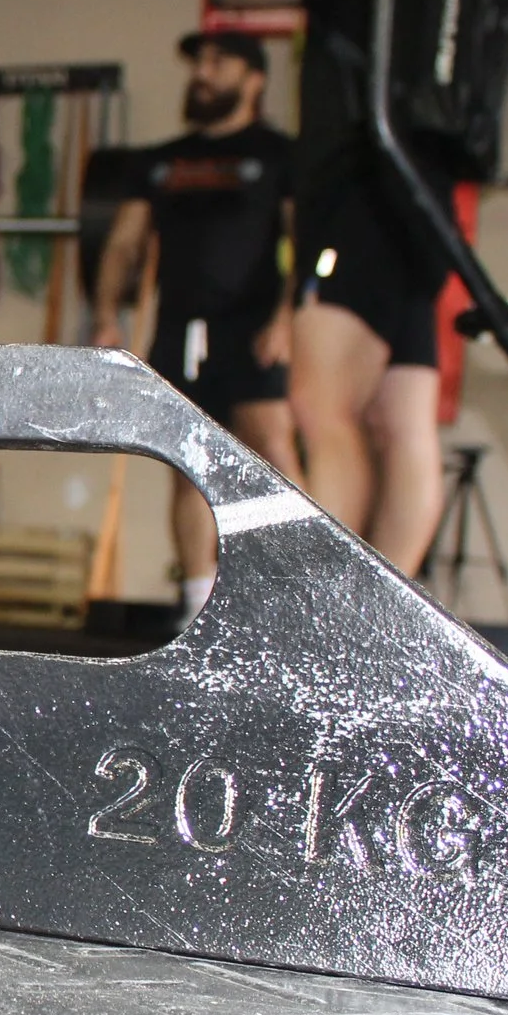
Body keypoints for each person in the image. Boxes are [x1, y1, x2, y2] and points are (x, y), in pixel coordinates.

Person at [212, 0, 446, 576]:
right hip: (422, 219)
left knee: (322, 409)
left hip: (355, 210)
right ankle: (398, 604)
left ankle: (333, 608)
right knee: (402, 421)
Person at [92, 31, 302, 614]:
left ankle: (297, 595)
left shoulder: (280, 155)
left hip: (255, 325)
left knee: (272, 449)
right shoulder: (161, 162)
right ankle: (194, 601)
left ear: (254, 78)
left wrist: (288, 317)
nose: (203, 73)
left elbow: (303, 243)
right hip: (182, 328)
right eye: (198, 63)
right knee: (189, 463)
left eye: (218, 62)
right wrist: (108, 315)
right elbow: (124, 244)